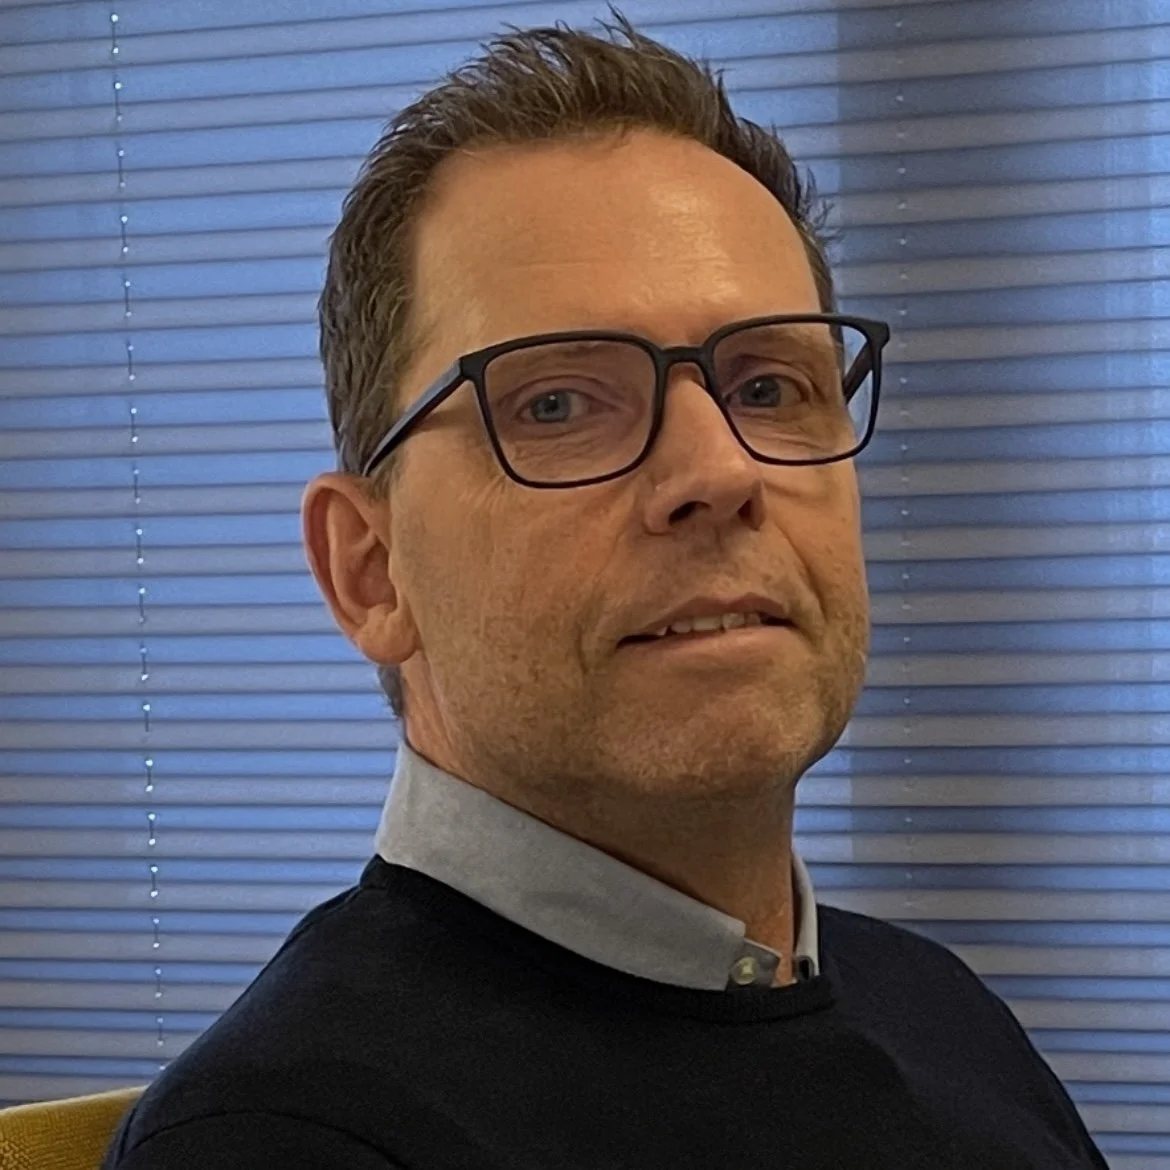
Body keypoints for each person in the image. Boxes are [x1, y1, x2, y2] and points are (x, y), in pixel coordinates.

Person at [102, 12, 1109, 1170]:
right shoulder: (280, 1138)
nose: (720, 472)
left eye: (770, 387)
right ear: (369, 570)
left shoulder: (941, 1008)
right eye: (558, 404)